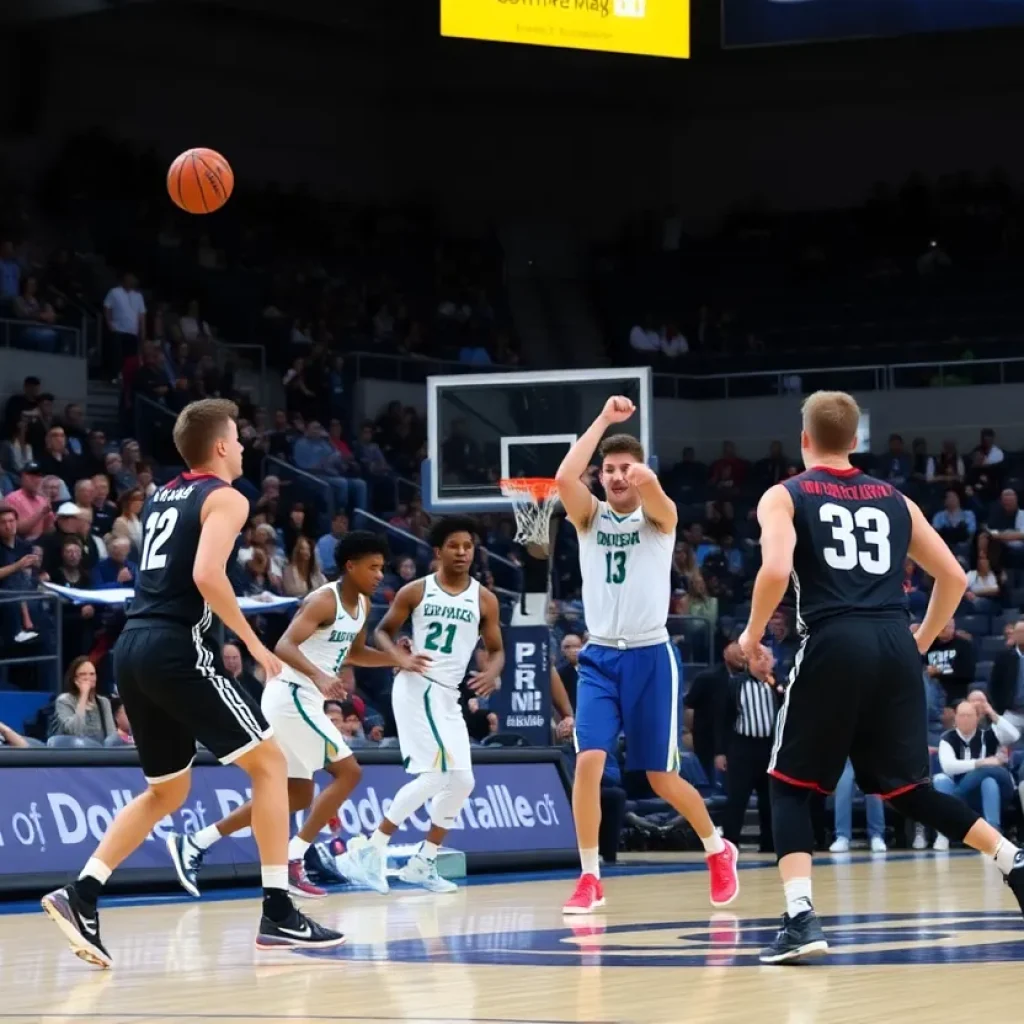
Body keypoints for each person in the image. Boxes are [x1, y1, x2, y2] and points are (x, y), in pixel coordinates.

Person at [41, 399, 343, 969]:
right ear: (221, 446)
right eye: (238, 437)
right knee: (272, 764)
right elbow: (206, 575)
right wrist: (253, 645)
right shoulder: (227, 496)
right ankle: (278, 911)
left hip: (133, 647)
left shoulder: (164, 494)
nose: (245, 445)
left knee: (168, 791)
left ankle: (80, 893)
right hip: (179, 647)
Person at [738, 390, 1024, 965]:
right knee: (909, 788)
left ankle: (799, 917)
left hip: (832, 637)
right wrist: (917, 642)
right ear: (855, 441)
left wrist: (749, 635)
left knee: (789, 785)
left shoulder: (784, 494)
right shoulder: (895, 498)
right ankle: (1013, 859)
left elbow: (773, 568)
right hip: (893, 641)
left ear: (805, 440)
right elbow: (954, 577)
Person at [166, 531, 426, 899]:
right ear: (350, 567)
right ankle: (293, 859)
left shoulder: (363, 606)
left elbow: (355, 654)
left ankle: (195, 841)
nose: (380, 575)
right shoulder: (323, 600)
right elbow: (283, 645)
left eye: (382, 568)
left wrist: (397, 660)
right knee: (349, 772)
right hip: (291, 697)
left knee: (299, 796)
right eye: (373, 568)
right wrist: (320, 676)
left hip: (305, 700)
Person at [554, 396, 738, 915]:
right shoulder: (588, 517)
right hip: (599, 659)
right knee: (589, 761)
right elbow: (566, 479)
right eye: (609, 470)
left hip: (651, 658)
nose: (616, 477)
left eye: (624, 469)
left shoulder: (659, 520)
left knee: (660, 776)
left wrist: (643, 476)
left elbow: (657, 498)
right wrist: (604, 423)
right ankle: (590, 876)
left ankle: (716, 848)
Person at [340, 516, 505, 894]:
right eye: (454, 546)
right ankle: (368, 850)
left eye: (468, 546)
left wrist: (491, 674)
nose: (462, 552)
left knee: (463, 780)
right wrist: (399, 659)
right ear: (438, 552)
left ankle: (423, 862)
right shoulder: (416, 590)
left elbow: (497, 651)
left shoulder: (485, 599)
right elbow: (383, 630)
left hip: (447, 694)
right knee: (435, 776)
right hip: (419, 687)